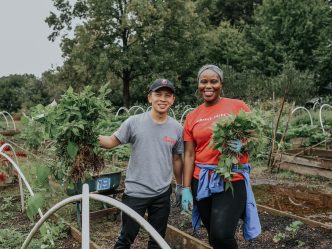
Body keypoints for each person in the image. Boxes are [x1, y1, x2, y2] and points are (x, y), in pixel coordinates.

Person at [181, 65, 261, 249]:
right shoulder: (193, 116)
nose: (208, 86)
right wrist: (185, 187)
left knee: (221, 235)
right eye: (204, 81)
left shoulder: (237, 106)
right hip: (200, 181)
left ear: (221, 83)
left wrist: (244, 145)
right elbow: (189, 153)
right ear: (198, 84)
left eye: (213, 81)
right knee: (213, 235)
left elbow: (255, 136)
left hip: (231, 177)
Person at [99, 78, 183, 249]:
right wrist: (88, 134)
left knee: (157, 241)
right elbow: (110, 142)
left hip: (162, 193)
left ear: (173, 100)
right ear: (149, 98)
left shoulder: (177, 128)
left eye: (167, 95)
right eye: (158, 94)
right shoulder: (134, 122)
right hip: (136, 192)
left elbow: (176, 159)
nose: (162, 99)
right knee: (125, 239)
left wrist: (181, 185)